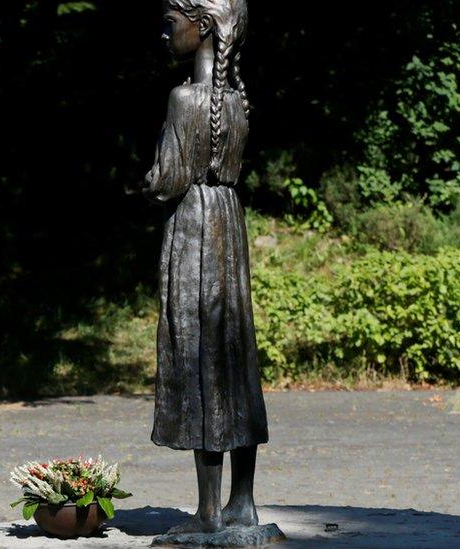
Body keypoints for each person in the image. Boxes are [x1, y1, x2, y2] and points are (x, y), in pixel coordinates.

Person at [141, 0, 269, 535]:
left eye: (172, 24)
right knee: (233, 359)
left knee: (198, 359)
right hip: (229, 225)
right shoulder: (237, 100)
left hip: (194, 229)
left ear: (205, 26)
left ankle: (208, 511)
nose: (164, 34)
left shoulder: (183, 100)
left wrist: (149, 180)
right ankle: (244, 503)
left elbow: (166, 179)